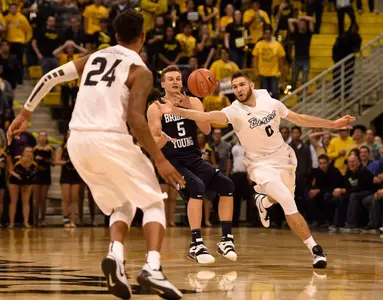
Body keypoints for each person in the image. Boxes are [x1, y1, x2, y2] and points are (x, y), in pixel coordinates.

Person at [7, 10, 184, 300]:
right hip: (109, 139)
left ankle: (115, 256)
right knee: (153, 202)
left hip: (77, 142)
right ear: (142, 37)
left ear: (115, 36)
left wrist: (26, 112)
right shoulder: (140, 70)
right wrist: (160, 159)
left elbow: (50, 76)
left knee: (122, 205)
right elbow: (136, 120)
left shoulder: (94, 57)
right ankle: (152, 267)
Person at [156, 70, 356, 268]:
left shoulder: (270, 102)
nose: (238, 89)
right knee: (287, 201)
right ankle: (315, 249)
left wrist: (333, 124)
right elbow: (206, 115)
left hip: (283, 159)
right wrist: (177, 111)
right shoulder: (234, 111)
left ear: (251, 84)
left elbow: (300, 119)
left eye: (242, 84)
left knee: (282, 196)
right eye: (234, 87)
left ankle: (264, 202)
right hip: (260, 165)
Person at [147, 65, 236, 264]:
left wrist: (189, 105)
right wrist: (162, 138)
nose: (175, 82)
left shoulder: (194, 101)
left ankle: (226, 240)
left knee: (227, 185)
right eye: (170, 79)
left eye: (178, 78)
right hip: (172, 163)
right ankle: (196, 244)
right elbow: (154, 140)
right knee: (197, 187)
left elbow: (205, 130)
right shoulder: (155, 107)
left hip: (194, 158)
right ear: (163, 84)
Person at [33, 131, 54, 227]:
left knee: (43, 198)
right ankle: (35, 219)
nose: (42, 137)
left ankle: (43, 219)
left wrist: (46, 160)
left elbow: (53, 163)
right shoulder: (34, 149)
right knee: (36, 199)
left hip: (46, 174)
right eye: (40, 135)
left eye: (44, 135)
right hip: (37, 174)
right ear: (38, 138)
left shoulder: (50, 149)